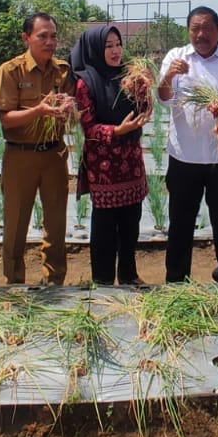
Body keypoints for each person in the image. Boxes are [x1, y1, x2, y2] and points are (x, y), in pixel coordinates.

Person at [158, 6, 218, 283]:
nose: (201, 34)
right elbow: (163, 98)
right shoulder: (176, 57)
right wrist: (168, 76)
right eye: (195, 28)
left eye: (207, 28)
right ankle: (176, 279)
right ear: (188, 31)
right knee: (180, 224)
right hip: (184, 157)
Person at [0, 12, 74, 285]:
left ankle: (54, 282)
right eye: (43, 36)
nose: (50, 41)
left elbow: (72, 111)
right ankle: (14, 281)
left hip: (54, 154)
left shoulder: (63, 71)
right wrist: (39, 110)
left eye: (53, 36)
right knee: (15, 223)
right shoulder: (10, 70)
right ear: (26, 38)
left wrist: (67, 112)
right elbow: (5, 118)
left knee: (56, 223)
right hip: (20, 155)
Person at [70, 25, 150, 285]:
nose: (116, 51)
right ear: (95, 49)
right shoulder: (85, 82)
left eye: (118, 44)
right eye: (108, 46)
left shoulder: (129, 75)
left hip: (131, 164)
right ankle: (102, 280)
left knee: (131, 223)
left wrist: (144, 89)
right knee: (105, 228)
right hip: (103, 167)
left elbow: (143, 110)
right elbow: (88, 127)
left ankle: (129, 275)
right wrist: (117, 130)